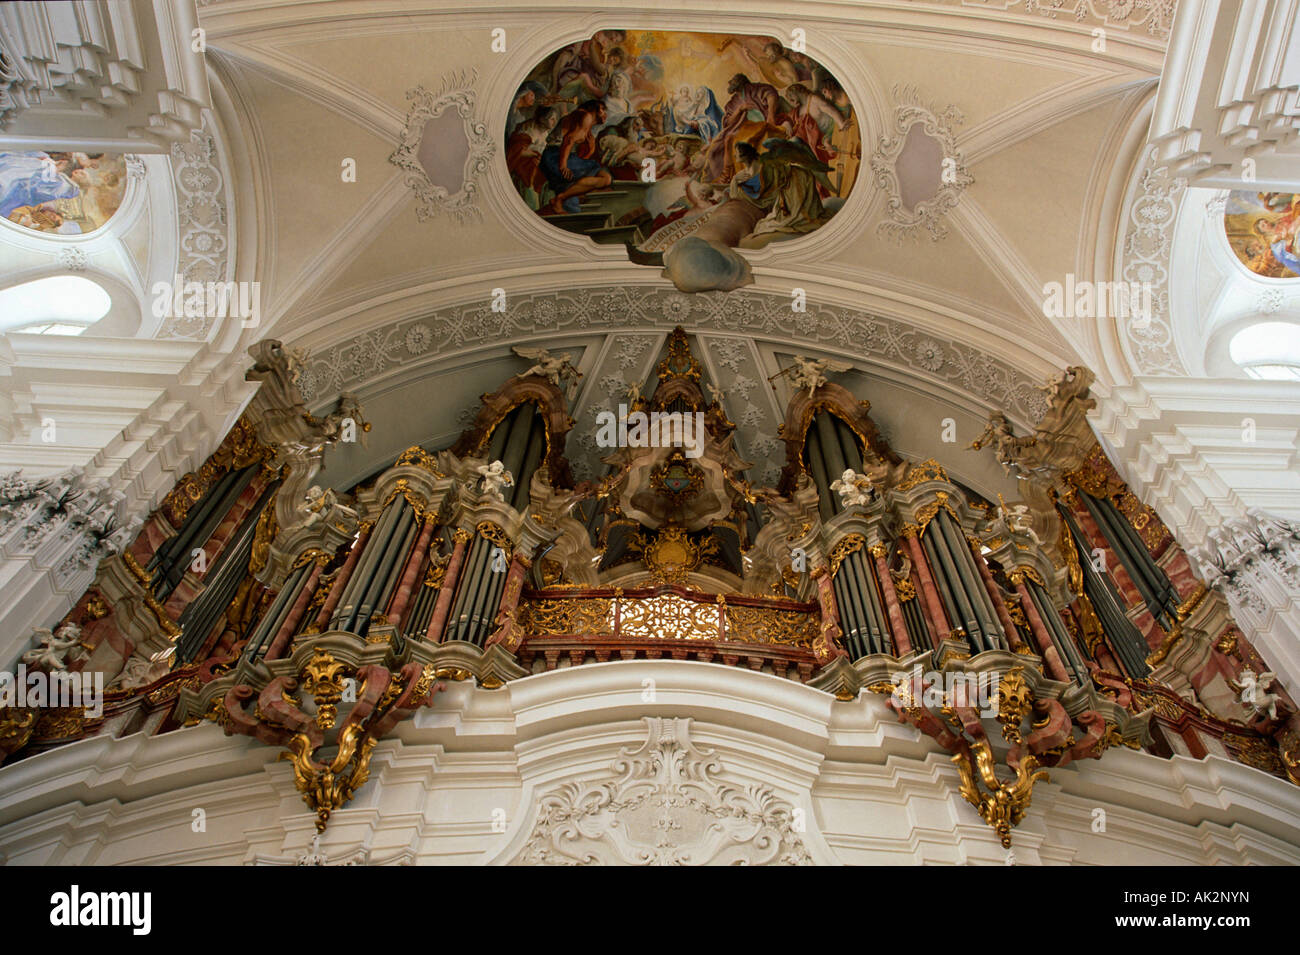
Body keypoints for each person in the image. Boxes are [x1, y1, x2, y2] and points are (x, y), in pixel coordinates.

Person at [540, 100, 612, 214]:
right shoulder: (586, 116)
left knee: (604, 179)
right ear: (596, 108)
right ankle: (561, 198)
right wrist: (563, 165)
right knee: (603, 175)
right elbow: (568, 140)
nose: (605, 114)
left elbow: (582, 158)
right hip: (555, 157)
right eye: (603, 110)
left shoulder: (587, 128)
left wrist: (591, 147)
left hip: (560, 157)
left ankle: (561, 198)